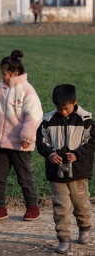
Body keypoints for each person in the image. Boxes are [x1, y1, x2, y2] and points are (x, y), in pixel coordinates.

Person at [0, 50, 43, 222]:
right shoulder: (1, 88)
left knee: (24, 177)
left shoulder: (27, 90)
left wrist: (27, 136)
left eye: (4, 74)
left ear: (15, 73)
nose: (2, 77)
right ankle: (0, 207)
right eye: (1, 73)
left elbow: (35, 115)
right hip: (2, 142)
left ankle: (33, 207)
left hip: (20, 143)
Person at [36, 84, 95, 254]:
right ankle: (64, 238)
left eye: (66, 108)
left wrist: (77, 154)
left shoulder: (86, 121)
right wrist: (49, 154)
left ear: (75, 102)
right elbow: (40, 142)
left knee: (81, 204)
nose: (63, 112)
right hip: (57, 173)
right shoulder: (47, 121)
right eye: (59, 108)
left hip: (79, 173)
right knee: (60, 206)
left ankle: (84, 229)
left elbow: (92, 142)